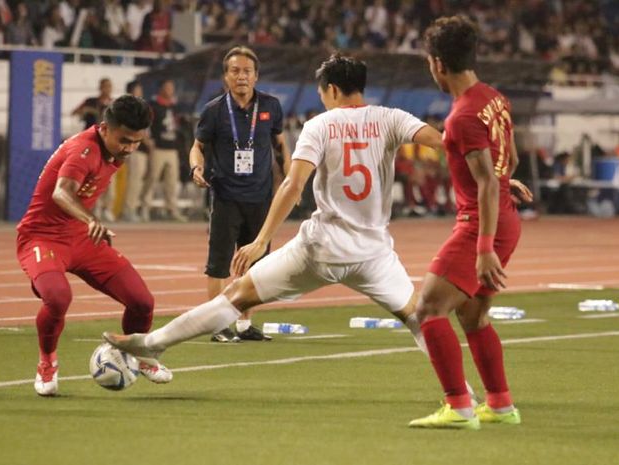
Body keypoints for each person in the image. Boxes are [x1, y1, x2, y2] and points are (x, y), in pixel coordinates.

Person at [102, 54, 446, 386]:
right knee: (420, 320)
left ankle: (152, 345)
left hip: (322, 249)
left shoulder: (320, 125)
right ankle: (464, 395)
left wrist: (262, 240)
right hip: (373, 254)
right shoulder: (391, 118)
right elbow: (443, 142)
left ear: (333, 91)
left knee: (236, 296)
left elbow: (293, 184)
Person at [408, 16, 533, 430]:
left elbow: (485, 181)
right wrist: (502, 181)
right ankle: (499, 405)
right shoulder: (494, 97)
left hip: (481, 223)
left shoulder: (462, 116)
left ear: (438, 64)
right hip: (504, 218)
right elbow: (508, 161)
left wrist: (482, 249)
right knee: (474, 317)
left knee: (427, 310)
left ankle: (459, 406)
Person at [16, 95, 172, 397]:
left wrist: (87, 225)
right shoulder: (83, 150)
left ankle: (139, 353)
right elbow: (62, 193)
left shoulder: (115, 150)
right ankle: (47, 362)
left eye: (137, 142)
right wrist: (91, 219)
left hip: (83, 237)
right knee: (58, 298)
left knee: (142, 302)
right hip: (42, 236)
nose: (129, 148)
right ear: (104, 128)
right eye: (124, 140)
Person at [189, 46, 292, 342]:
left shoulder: (271, 106)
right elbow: (197, 146)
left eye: (247, 71)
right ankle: (217, 325)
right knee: (219, 263)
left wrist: (289, 178)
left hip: (261, 199)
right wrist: (196, 168)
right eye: (235, 71)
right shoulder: (214, 110)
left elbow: (281, 144)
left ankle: (245, 326)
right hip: (225, 196)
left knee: (256, 267)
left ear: (256, 76)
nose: (241, 76)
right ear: (226, 77)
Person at [142, 79, 187, 222]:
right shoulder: (154, 105)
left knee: (172, 181)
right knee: (152, 178)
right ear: (161, 89)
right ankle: (145, 207)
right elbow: (145, 124)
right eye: (167, 87)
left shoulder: (174, 107)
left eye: (172, 87)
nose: (170, 90)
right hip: (158, 147)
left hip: (172, 148)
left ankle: (172, 208)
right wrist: (148, 141)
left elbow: (178, 126)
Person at [72, 78, 116, 222]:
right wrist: (86, 110)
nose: (106, 89)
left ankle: (107, 208)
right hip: (91, 144)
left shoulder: (115, 104)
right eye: (104, 86)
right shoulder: (91, 101)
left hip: (109, 146)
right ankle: (91, 207)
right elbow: (75, 113)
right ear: (100, 87)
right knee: (90, 176)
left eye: (109, 86)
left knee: (108, 177)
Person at [121, 80, 152, 222]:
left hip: (143, 149)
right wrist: (147, 140)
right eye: (137, 90)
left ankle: (134, 208)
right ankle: (129, 209)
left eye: (140, 90)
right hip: (134, 148)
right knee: (134, 179)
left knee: (139, 180)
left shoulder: (142, 107)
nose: (140, 93)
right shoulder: (128, 109)